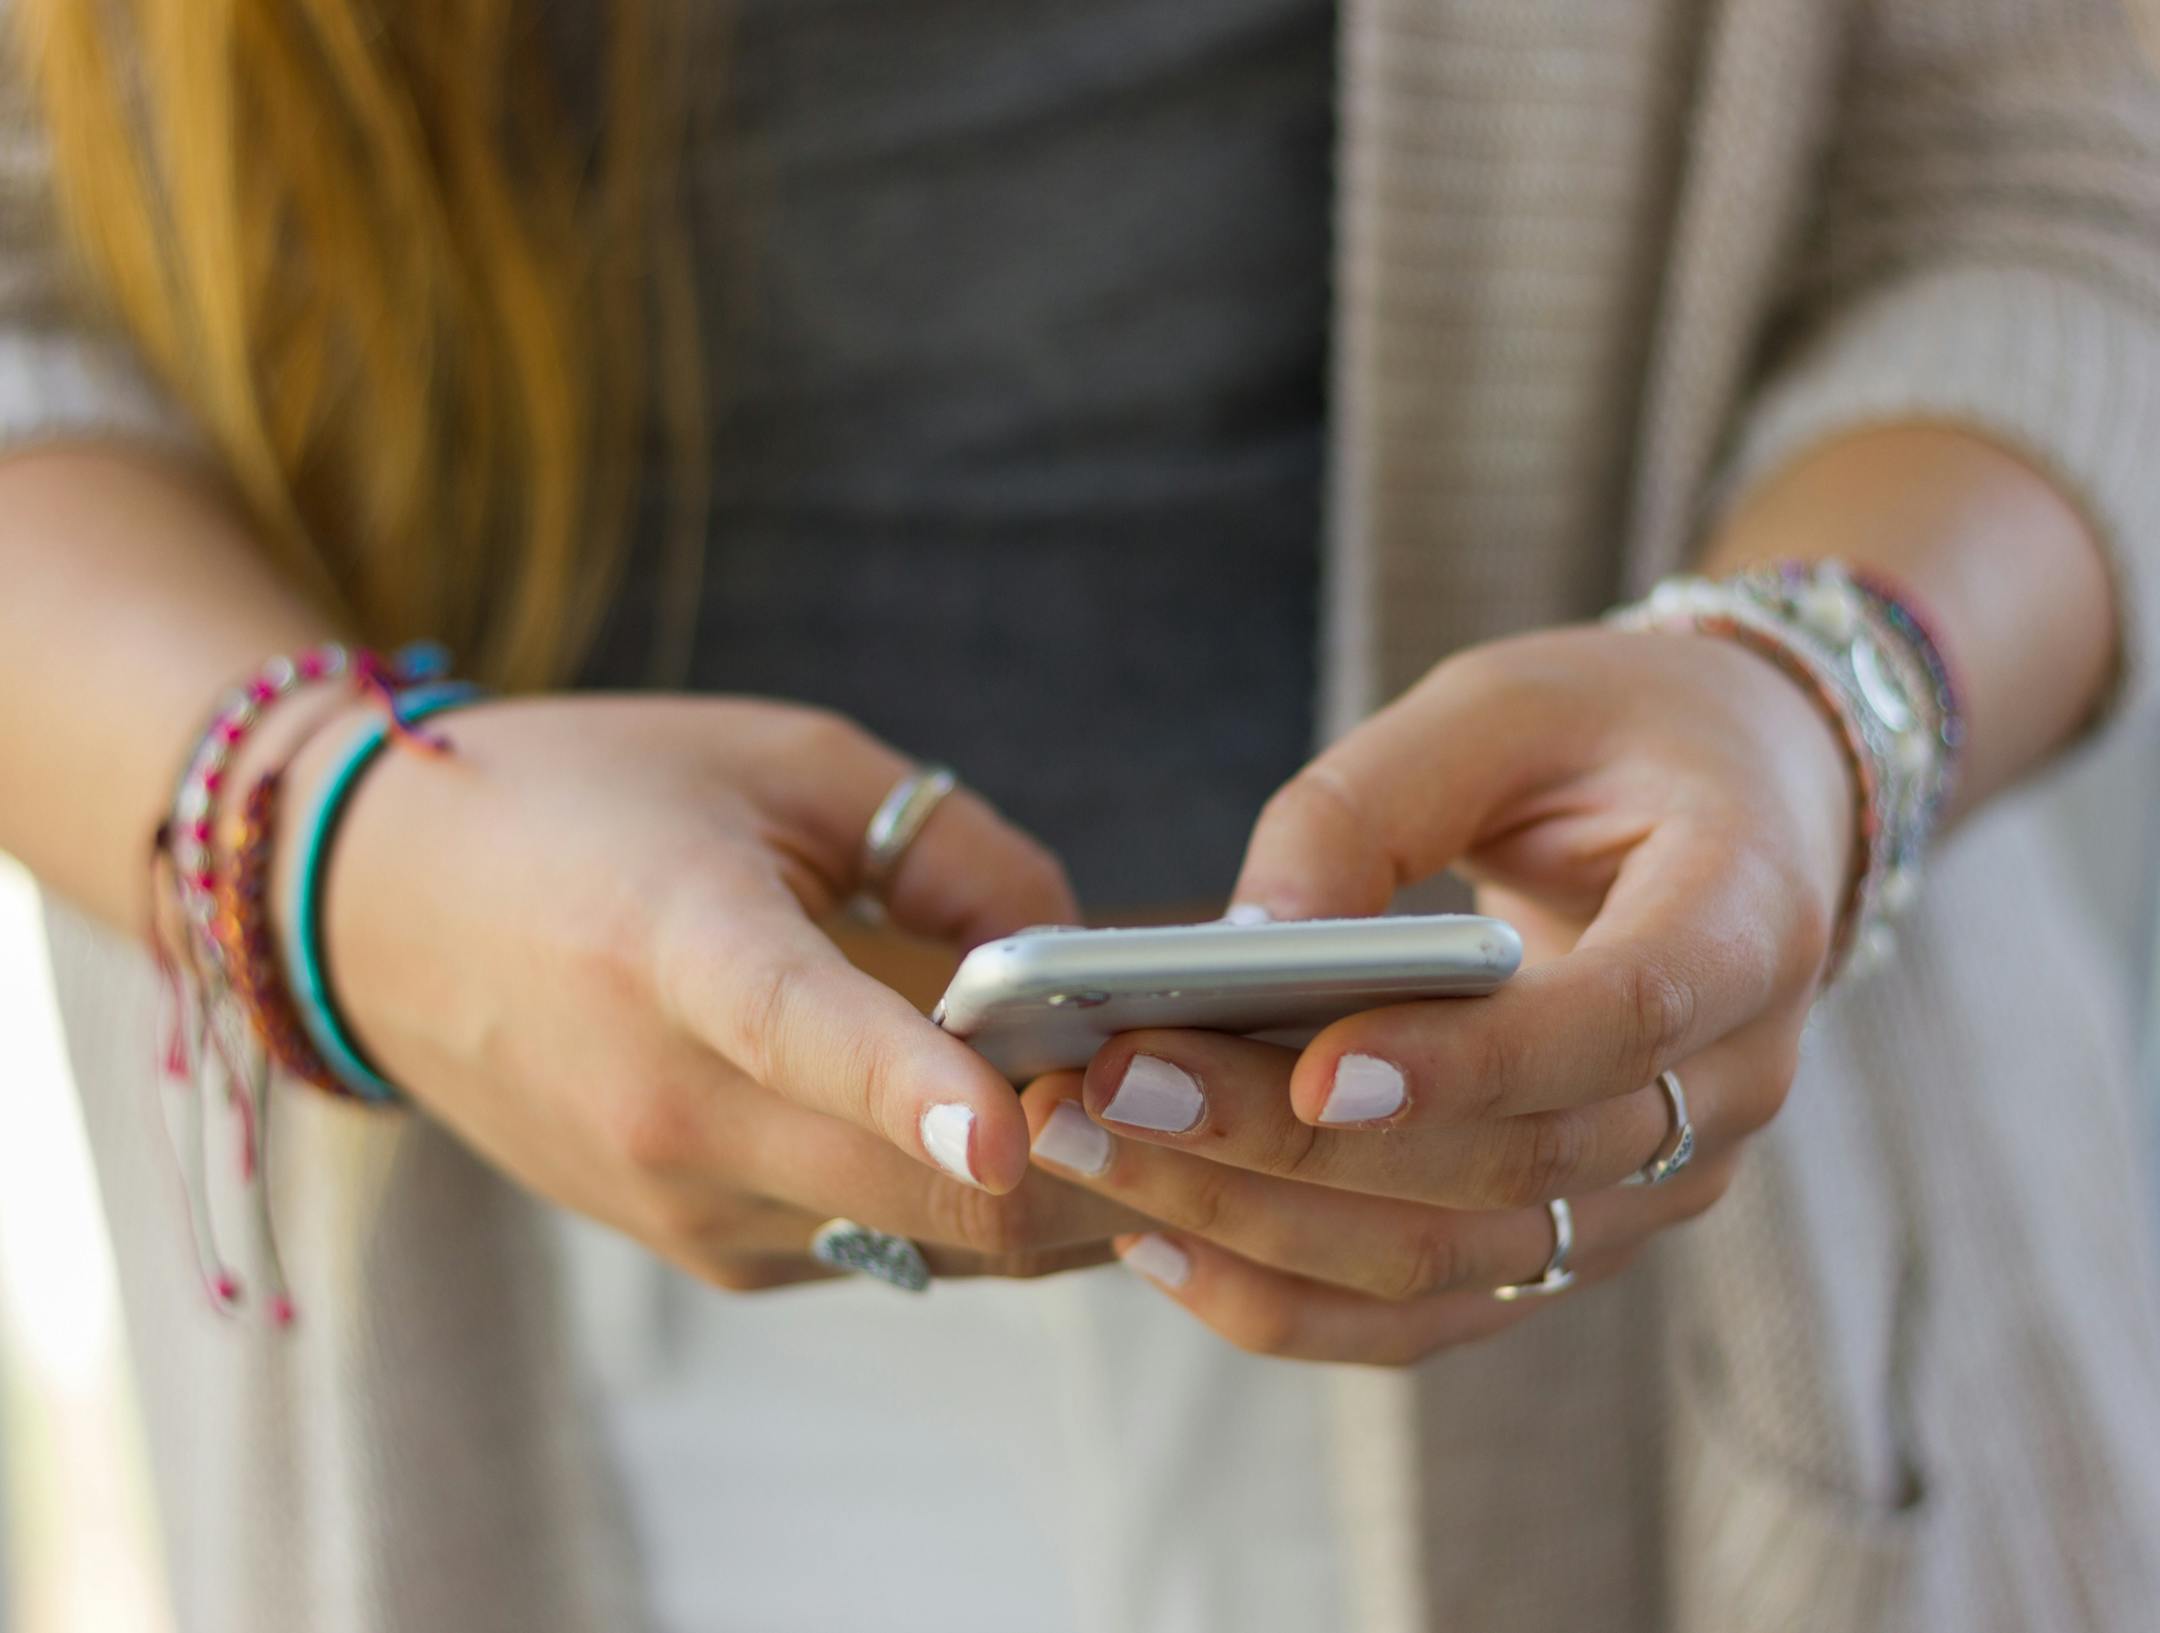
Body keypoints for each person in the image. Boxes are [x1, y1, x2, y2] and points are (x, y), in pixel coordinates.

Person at [2, 0, 2159, 1628]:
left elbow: (2065, 167)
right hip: (530, 1315)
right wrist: (351, 863)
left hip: (1683, 1304)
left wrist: (1814, 702)